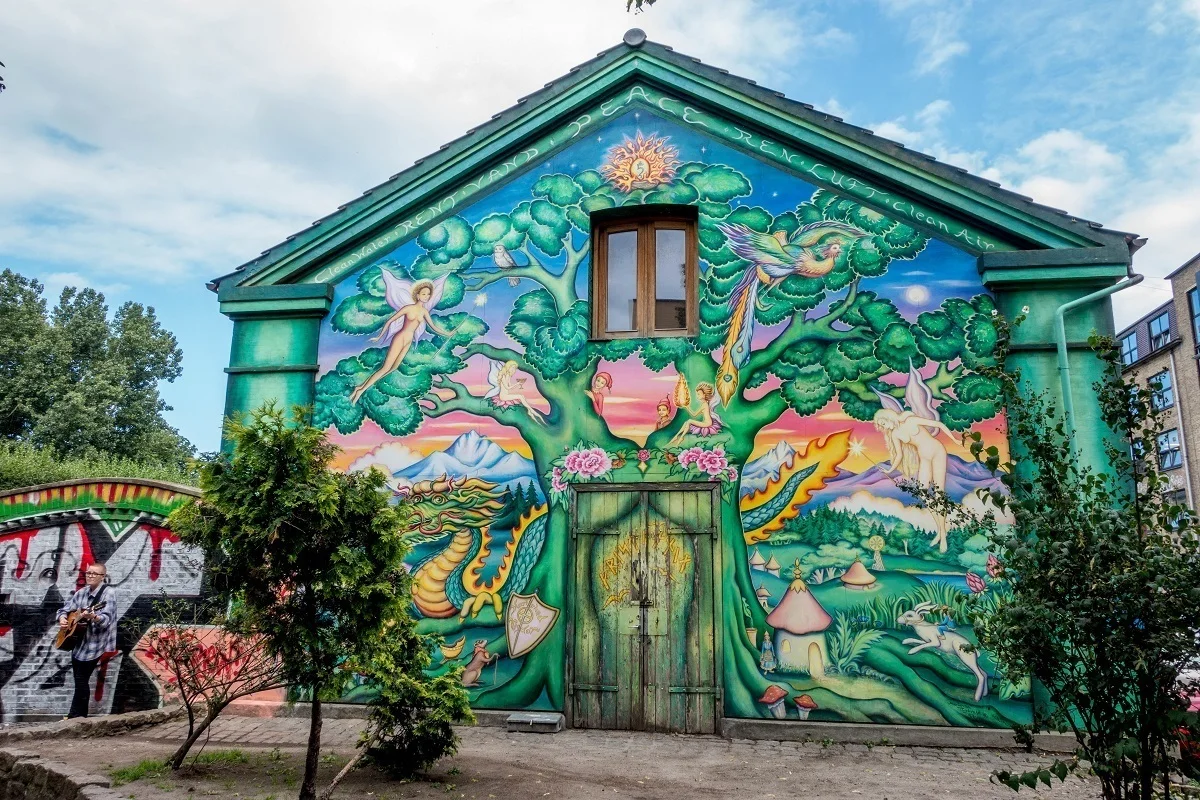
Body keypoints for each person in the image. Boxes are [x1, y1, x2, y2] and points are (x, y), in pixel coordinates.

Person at [56, 562, 117, 719]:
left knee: (81, 679)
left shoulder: (108, 594)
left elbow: (106, 620)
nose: (90, 576)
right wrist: (63, 618)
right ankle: (77, 716)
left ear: (102, 577)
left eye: (94, 574)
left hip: (96, 644)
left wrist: (93, 616)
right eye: (88, 573)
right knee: (79, 680)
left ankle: (76, 716)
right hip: (79, 642)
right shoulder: (81, 593)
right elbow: (64, 609)